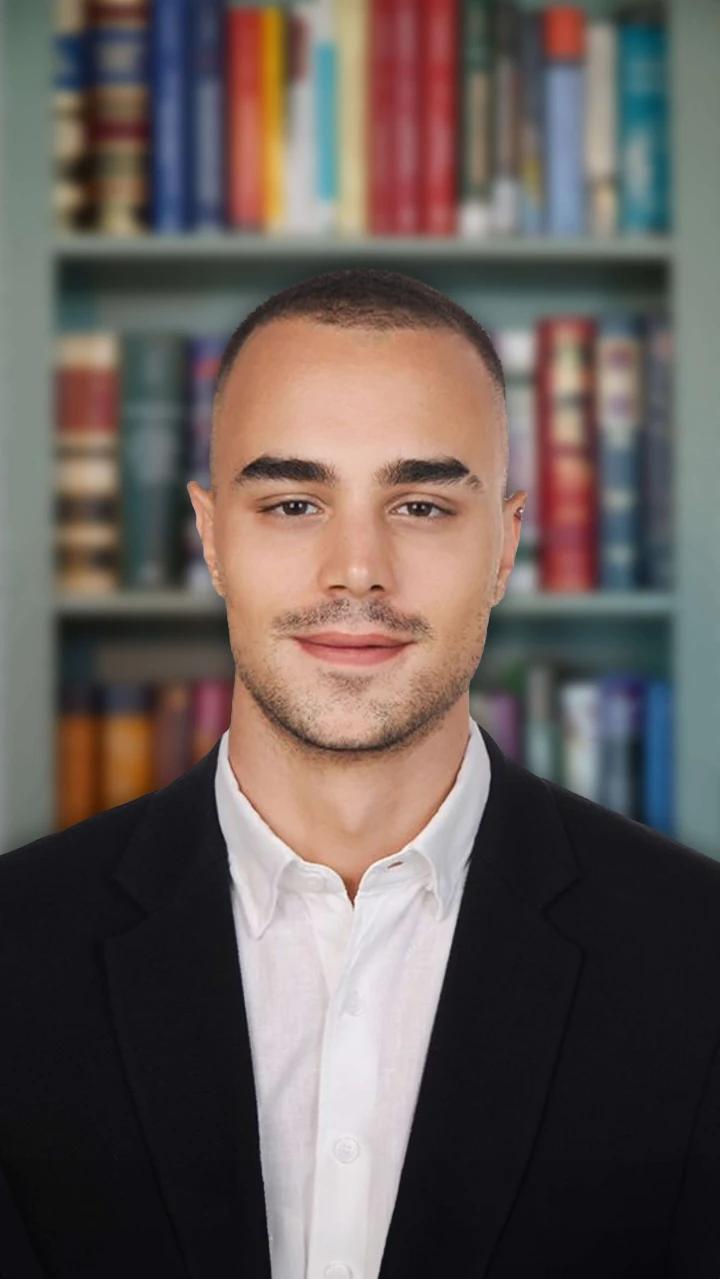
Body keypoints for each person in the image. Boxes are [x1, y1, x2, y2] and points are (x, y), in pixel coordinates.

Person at [1, 268, 719, 1279]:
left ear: (506, 545)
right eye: (293, 501)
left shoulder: (698, 958)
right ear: (210, 537)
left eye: (421, 505)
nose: (356, 570)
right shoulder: (14, 953)